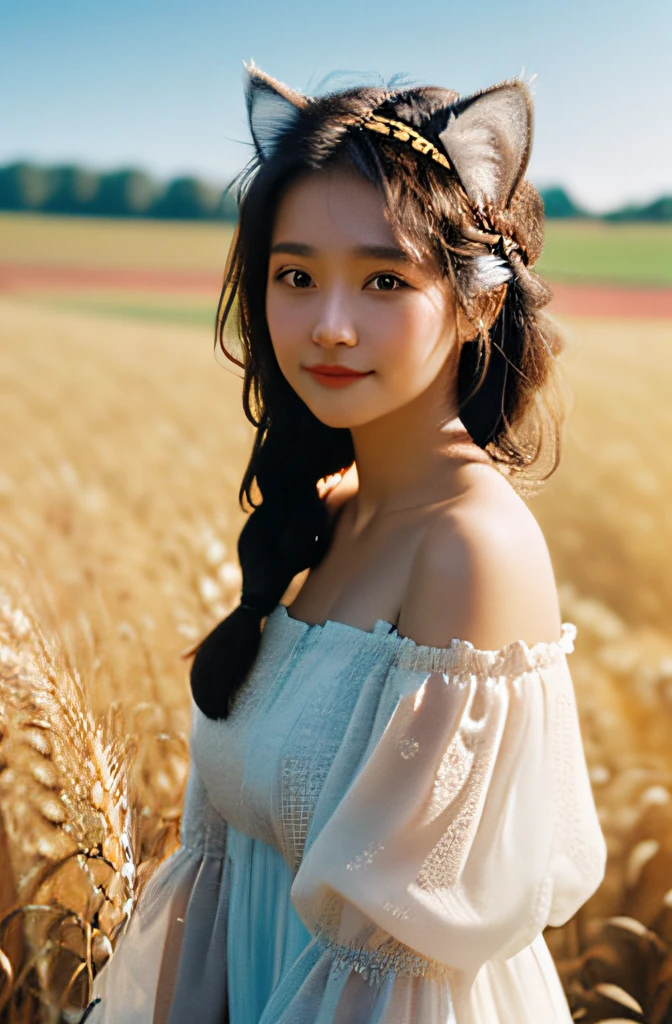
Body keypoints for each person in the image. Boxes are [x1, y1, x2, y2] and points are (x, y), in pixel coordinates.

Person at [84, 62, 607, 1023]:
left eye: (382, 279)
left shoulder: (470, 551)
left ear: (479, 299)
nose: (328, 326)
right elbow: (221, 876)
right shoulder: (329, 503)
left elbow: (392, 966)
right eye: (295, 276)